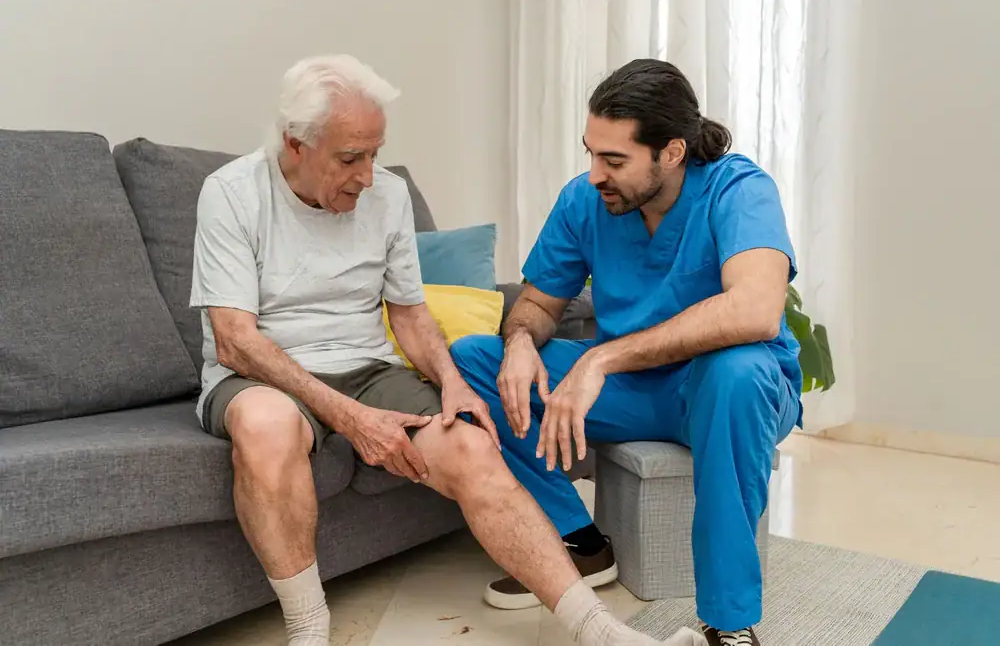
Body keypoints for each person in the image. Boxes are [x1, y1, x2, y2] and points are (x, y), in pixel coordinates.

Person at [190, 54, 705, 646]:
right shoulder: (231, 193)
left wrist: (453, 384)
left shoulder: (385, 195)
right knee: (267, 426)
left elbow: (408, 314)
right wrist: (353, 420)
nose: (367, 175)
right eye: (349, 158)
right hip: (264, 375)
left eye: (375, 154)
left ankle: (600, 632)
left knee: (471, 444)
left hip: (369, 368)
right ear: (296, 145)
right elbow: (235, 338)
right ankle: (309, 632)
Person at [450, 58, 802, 646]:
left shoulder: (739, 190)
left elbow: (757, 310)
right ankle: (581, 542)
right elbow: (537, 303)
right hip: (637, 389)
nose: (595, 174)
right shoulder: (585, 201)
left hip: (722, 389)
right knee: (474, 359)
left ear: (671, 152)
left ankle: (730, 624)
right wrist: (518, 344)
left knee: (734, 371)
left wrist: (600, 359)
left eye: (614, 160)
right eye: (591, 153)